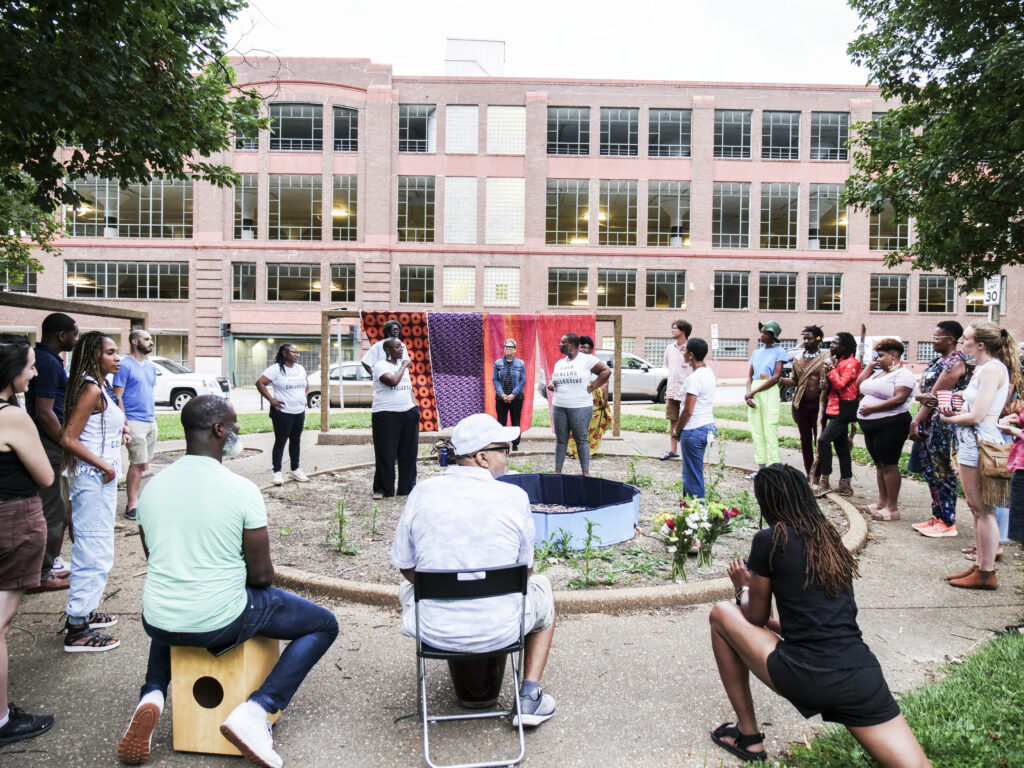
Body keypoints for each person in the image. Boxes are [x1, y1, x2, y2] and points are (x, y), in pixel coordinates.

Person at [116, 396, 338, 767]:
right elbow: (263, 576)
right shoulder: (241, 490)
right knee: (323, 624)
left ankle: (152, 694)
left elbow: (156, 558)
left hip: (158, 619)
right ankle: (257, 711)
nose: (238, 431)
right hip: (219, 621)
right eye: (233, 425)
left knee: (179, 596)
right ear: (219, 430)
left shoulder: (152, 488)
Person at [708, 464, 931, 767]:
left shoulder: (770, 539)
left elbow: (756, 618)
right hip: (860, 675)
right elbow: (817, 620)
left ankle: (748, 738)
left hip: (805, 674)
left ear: (767, 503)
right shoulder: (830, 540)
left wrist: (743, 589)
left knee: (721, 615)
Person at [391, 413, 557, 727]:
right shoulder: (514, 497)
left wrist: (447, 587)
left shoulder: (422, 493)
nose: (509, 457)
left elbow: (404, 564)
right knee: (543, 589)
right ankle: (529, 698)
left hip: (434, 629)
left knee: (407, 588)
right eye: (504, 450)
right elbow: (526, 572)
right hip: (502, 627)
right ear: (481, 457)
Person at [0, 335, 56, 746]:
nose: (35, 373)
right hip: (13, 518)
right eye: (30, 366)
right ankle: (2, 720)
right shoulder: (12, 417)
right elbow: (46, 476)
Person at [939, 321, 1023, 590]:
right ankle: (981, 565)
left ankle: (987, 571)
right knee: (977, 509)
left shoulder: (993, 369)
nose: (962, 342)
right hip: (972, 441)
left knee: (983, 510)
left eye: (965, 339)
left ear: (981, 345)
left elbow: (978, 415)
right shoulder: (985, 368)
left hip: (979, 442)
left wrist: (948, 419)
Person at [59, 331, 126, 652]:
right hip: (92, 479)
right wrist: (106, 466)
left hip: (96, 479)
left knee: (96, 547)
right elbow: (68, 439)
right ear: (94, 356)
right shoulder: (90, 389)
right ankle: (77, 629)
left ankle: (83, 611)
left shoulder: (98, 387)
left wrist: (119, 432)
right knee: (93, 550)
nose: (118, 357)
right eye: (111, 352)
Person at [24, 312, 78, 591]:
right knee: (53, 509)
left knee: (60, 508)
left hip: (50, 442)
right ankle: (40, 575)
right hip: (50, 444)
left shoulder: (46, 359)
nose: (75, 339)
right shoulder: (46, 361)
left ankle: (49, 565)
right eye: (74, 334)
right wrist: (66, 442)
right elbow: (45, 413)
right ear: (61, 335)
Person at [909, 321, 969, 538]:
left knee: (943, 472)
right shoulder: (938, 361)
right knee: (931, 472)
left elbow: (934, 395)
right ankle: (936, 516)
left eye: (937, 337)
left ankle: (948, 521)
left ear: (951, 339)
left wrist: (915, 421)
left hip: (942, 424)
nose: (933, 340)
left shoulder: (955, 362)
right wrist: (918, 396)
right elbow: (922, 389)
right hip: (929, 423)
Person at [856, 339, 916, 522]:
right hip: (872, 425)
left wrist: (872, 409)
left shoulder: (903, 374)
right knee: (880, 465)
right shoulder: (879, 373)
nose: (877, 359)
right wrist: (871, 365)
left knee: (889, 465)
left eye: (881, 355)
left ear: (894, 356)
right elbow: (859, 383)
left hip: (892, 424)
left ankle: (892, 508)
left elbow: (899, 398)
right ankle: (881, 502)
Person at [547, 333, 610, 477]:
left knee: (581, 439)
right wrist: (552, 384)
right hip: (559, 405)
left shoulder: (587, 359)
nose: (560, 345)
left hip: (580, 406)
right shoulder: (560, 363)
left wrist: (592, 387)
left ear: (573, 345)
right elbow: (555, 380)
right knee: (561, 440)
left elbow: (606, 371)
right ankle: (557, 471)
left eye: (564, 342)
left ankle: (585, 472)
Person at [112, 330, 157, 522]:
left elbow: (147, 393)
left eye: (151, 339)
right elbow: (117, 396)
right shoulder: (124, 365)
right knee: (138, 464)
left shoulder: (151, 367)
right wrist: (124, 423)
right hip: (133, 420)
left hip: (150, 420)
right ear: (134, 341)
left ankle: (136, 500)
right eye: (147, 339)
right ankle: (132, 505)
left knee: (143, 464)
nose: (151, 342)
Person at [814, 332, 862, 497]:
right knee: (842, 447)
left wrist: (832, 369)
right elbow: (834, 384)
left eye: (835, 343)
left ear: (844, 346)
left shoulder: (852, 363)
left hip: (843, 409)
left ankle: (825, 481)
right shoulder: (840, 361)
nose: (831, 346)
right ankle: (845, 485)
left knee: (823, 440)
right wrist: (825, 383)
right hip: (833, 408)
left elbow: (841, 384)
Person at [370, 338, 419, 499]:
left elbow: (407, 387)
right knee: (386, 453)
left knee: (409, 453)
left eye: (402, 347)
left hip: (408, 413)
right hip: (386, 414)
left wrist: (415, 406)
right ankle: (384, 489)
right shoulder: (380, 366)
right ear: (388, 350)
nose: (401, 349)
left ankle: (407, 487)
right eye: (397, 347)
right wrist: (404, 366)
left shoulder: (401, 366)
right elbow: (391, 382)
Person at [256, 344, 309, 486]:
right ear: (285, 353)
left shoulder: (300, 369)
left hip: (299, 411)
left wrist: (303, 398)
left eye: (298, 353)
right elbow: (260, 382)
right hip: (283, 412)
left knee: (296, 440)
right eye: (293, 352)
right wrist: (272, 400)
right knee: (281, 441)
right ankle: (277, 472)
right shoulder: (275, 369)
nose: (297, 355)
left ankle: (295, 469)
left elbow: (306, 385)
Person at [780, 326, 828, 480]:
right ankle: (810, 473)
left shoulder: (826, 358)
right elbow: (794, 381)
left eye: (810, 338)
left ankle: (820, 473)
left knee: (819, 440)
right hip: (801, 404)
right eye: (805, 338)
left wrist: (826, 385)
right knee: (805, 440)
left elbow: (832, 380)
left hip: (819, 404)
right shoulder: (798, 358)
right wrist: (778, 379)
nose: (806, 341)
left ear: (818, 339)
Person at [671, 338, 716, 499]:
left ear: (690, 355)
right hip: (706, 425)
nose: (683, 354)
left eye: (685, 351)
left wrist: (677, 430)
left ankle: (696, 515)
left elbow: (688, 411)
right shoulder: (708, 372)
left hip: (693, 429)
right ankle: (689, 511)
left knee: (692, 476)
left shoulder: (694, 379)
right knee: (693, 472)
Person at [744, 321, 788, 478]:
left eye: (765, 332)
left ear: (773, 335)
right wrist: (748, 393)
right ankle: (761, 469)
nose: (761, 335)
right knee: (757, 430)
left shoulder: (779, 352)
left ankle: (774, 470)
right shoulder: (756, 353)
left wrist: (753, 392)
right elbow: (749, 376)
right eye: (761, 332)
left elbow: (776, 377)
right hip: (755, 391)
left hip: (769, 391)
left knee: (770, 429)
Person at [568, 336, 612, 460]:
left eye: (585, 347)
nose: (582, 350)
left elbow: (605, 381)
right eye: (580, 347)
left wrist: (604, 398)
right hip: (577, 398)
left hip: (593, 398)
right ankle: (574, 451)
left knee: (591, 426)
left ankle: (587, 452)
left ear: (591, 349)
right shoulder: (574, 361)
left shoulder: (594, 361)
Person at [661, 319, 693, 461]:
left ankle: (688, 451)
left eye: (675, 328)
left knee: (687, 420)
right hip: (672, 390)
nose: (672, 330)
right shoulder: (669, 348)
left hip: (686, 392)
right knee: (673, 420)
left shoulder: (691, 348)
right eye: (672, 327)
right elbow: (668, 367)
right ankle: (672, 450)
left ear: (683, 331)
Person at [492, 337, 526, 451]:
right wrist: (501, 394)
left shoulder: (521, 363)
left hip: (517, 398)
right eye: (506, 346)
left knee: (515, 420)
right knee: (501, 421)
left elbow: (523, 380)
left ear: (515, 349)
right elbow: (495, 379)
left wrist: (513, 394)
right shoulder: (498, 363)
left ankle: (515, 444)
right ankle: (502, 444)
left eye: (511, 347)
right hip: (501, 398)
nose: (508, 349)